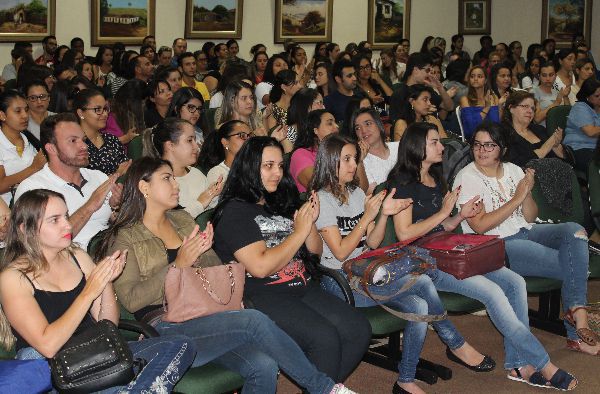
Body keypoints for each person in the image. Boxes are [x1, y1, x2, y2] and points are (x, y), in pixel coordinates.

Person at [96, 156, 356, 394]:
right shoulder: (124, 237)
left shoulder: (183, 221)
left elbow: (214, 270)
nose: (176, 184)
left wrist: (204, 253)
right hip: (166, 326)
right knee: (253, 320)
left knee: (263, 364)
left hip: (205, 312)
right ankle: (324, 388)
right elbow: (131, 300)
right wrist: (178, 266)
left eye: (173, 177)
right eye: (167, 178)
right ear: (144, 187)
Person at [386, 122, 580, 390]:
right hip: (427, 261)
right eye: (435, 142)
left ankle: (518, 362)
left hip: (455, 250)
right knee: (493, 293)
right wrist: (444, 214)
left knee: (515, 283)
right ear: (417, 147)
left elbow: (447, 227)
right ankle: (543, 364)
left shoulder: (435, 177)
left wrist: (459, 215)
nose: (442, 147)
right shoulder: (402, 182)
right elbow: (405, 234)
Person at [313, 133, 493, 394]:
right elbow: (340, 253)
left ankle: (405, 379)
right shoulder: (321, 199)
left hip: (367, 271)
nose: (354, 165)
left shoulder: (355, 194)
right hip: (340, 283)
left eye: (355, 158)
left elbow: (372, 243)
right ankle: (454, 341)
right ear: (330, 163)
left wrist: (383, 215)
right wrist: (367, 218)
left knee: (419, 305)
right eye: (347, 159)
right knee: (421, 282)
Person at [0, 189, 196, 392]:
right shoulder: (13, 278)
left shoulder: (77, 256)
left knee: (180, 344)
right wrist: (89, 292)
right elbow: (48, 346)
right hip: (51, 365)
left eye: (66, 216)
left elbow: (108, 324)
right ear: (25, 229)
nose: (67, 225)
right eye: (54, 220)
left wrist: (106, 282)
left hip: (95, 350)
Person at [213, 136, 371, 383]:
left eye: (279, 165)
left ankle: (324, 388)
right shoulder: (234, 212)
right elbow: (261, 267)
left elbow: (315, 253)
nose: (277, 172)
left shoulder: (279, 202)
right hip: (263, 294)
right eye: (268, 166)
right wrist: (298, 232)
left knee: (358, 329)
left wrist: (309, 226)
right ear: (249, 167)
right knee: (325, 338)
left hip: (302, 284)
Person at [453, 122, 599, 360]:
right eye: (477, 145)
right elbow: (479, 227)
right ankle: (577, 322)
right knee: (573, 265)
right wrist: (517, 196)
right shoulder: (467, 176)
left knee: (576, 231)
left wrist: (527, 193)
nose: (482, 150)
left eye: (489, 145)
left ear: (503, 147)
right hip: (497, 243)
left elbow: (529, 216)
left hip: (526, 230)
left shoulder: (514, 170)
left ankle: (576, 316)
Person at [14, 113, 121, 250]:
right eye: (73, 141)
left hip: (108, 248)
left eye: (83, 139)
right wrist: (90, 206)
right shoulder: (32, 189)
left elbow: (111, 221)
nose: (84, 146)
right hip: (68, 261)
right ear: (51, 148)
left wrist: (116, 207)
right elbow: (38, 247)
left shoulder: (98, 176)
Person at [144, 117, 222, 218]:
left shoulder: (195, 172)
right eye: (189, 140)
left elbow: (209, 212)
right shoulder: (156, 181)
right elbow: (168, 222)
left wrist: (215, 194)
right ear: (170, 145)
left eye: (195, 140)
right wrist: (200, 203)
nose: (196, 146)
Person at [0, 90, 46, 206]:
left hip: (37, 201)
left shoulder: (30, 140)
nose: (25, 115)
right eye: (17, 111)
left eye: (26, 110)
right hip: (8, 210)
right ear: (2, 115)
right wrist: (33, 168)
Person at [72, 89, 129, 176]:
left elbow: (126, 169)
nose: (105, 114)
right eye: (98, 109)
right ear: (81, 113)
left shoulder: (111, 139)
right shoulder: (74, 145)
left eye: (105, 109)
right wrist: (116, 174)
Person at [503, 91, 565, 167]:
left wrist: (556, 146)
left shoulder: (539, 129)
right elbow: (513, 164)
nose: (530, 111)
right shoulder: (503, 133)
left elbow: (566, 159)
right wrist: (544, 149)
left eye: (532, 108)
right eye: (525, 106)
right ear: (511, 108)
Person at [198, 120, 251, 204]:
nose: (248, 140)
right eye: (242, 135)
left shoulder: (255, 166)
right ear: (225, 142)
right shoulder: (218, 173)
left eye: (250, 136)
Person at [290, 109, 339, 192]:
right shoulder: (300, 154)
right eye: (330, 123)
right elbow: (318, 186)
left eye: (335, 122)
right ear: (316, 130)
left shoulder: (340, 151)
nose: (337, 126)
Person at [351, 107, 398, 186]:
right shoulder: (360, 161)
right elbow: (370, 192)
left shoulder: (400, 147)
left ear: (379, 124)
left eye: (368, 124)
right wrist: (359, 162)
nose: (363, 131)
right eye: (357, 128)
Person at [563, 78, 600, 173]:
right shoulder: (580, 107)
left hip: (595, 148)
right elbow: (590, 132)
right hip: (579, 148)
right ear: (587, 97)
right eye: (597, 96)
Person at [264, 69, 302, 152]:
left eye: (299, 82)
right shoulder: (273, 110)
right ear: (284, 87)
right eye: (296, 83)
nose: (300, 86)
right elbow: (272, 139)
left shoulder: (300, 105)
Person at [105, 79, 145, 146]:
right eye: (142, 102)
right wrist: (125, 138)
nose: (144, 105)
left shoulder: (135, 115)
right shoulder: (108, 117)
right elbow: (101, 144)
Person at [533, 60, 571, 127]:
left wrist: (565, 97)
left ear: (555, 76)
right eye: (544, 75)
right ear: (539, 77)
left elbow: (569, 116)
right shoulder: (534, 92)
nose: (548, 79)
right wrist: (556, 102)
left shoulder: (557, 92)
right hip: (543, 131)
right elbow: (537, 119)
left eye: (551, 75)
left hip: (560, 130)